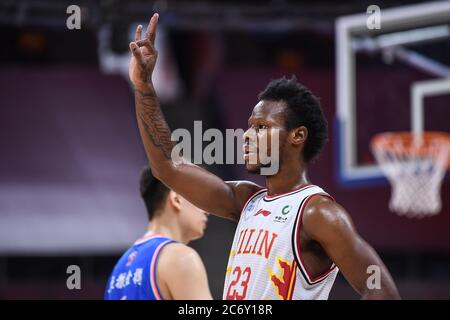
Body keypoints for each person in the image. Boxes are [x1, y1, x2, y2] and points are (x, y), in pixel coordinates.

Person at [128, 13, 400, 300]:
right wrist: (145, 88)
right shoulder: (247, 200)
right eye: (249, 127)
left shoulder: (318, 213)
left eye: (261, 128)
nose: (247, 135)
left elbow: (381, 290)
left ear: (297, 136)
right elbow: (168, 167)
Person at [105, 167, 212, 300]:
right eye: (199, 197)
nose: (207, 209)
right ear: (177, 199)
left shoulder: (118, 270)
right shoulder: (182, 259)